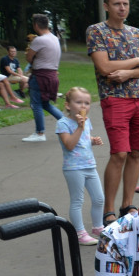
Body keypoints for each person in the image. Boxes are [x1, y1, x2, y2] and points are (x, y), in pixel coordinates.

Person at [86, 0, 139, 224]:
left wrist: (126, 73)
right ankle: (109, 209)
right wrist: (137, 62)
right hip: (114, 99)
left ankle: (127, 205)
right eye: (117, 4)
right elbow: (104, 68)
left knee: (135, 153)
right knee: (119, 154)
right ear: (106, 6)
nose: (122, 8)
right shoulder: (96, 31)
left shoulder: (136, 33)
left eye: (125, 3)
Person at [56, 87, 105, 245]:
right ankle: (79, 233)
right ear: (68, 105)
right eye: (79, 102)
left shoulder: (87, 121)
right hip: (73, 168)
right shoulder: (63, 123)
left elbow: (84, 138)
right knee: (77, 200)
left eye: (87, 103)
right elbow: (69, 144)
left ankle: (98, 227)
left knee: (99, 198)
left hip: (90, 165)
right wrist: (79, 126)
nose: (83, 106)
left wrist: (92, 140)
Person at [22, 14, 64, 142]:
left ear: (36, 25)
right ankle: (69, 123)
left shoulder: (39, 40)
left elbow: (29, 58)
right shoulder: (54, 38)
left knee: (36, 104)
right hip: (52, 75)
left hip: (40, 76)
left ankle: (40, 133)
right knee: (45, 104)